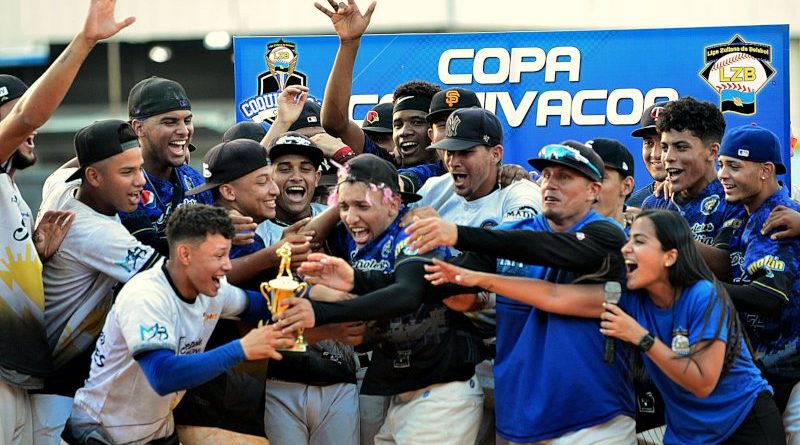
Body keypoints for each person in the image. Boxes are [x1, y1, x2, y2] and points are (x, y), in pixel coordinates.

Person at [308, 141, 634, 443]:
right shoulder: (511, 233)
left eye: (564, 177)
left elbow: (547, 249)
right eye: (546, 175)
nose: (550, 184)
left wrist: (458, 234)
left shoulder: (608, 236)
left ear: (593, 190)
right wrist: (357, 280)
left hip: (594, 415)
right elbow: (430, 285)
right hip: (525, 413)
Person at [425, 209, 785, 445]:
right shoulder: (629, 296)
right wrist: (477, 278)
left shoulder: (702, 295)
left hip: (744, 424)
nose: (625, 249)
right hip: (689, 434)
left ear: (670, 256)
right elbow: (552, 295)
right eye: (628, 240)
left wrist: (641, 337)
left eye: (639, 241)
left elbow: (701, 382)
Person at [278, 154, 485, 445]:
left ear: (393, 204)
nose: (351, 217)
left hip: (442, 391)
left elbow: (408, 293)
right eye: (344, 206)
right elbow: (303, 243)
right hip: (402, 390)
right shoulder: (355, 235)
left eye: (362, 206)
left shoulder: (413, 229)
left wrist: (325, 313)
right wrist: (345, 202)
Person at [0, 1, 134, 443]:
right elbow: (29, 116)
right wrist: (85, 41)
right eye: (10, 114)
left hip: (22, 373)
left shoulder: (16, 191)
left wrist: (34, 256)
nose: (30, 128)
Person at [63, 204, 308, 445]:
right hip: (103, 432)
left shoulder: (214, 290)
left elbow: (263, 306)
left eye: (228, 254)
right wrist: (242, 349)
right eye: (219, 256)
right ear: (185, 254)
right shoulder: (146, 296)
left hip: (156, 430)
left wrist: (318, 295)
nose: (228, 265)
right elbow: (163, 376)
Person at [34, 120, 162, 444]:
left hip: (57, 374)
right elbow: (176, 278)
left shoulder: (61, 186)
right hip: (50, 385)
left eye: (140, 167)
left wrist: (111, 141)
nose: (141, 181)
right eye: (127, 172)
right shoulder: (96, 233)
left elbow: (70, 166)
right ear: (93, 176)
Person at [695, 124, 800, 444]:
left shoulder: (780, 217)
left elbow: (768, 297)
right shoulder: (741, 211)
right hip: (763, 370)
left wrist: (695, 290)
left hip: (793, 373)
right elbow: (723, 262)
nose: (722, 174)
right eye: (721, 164)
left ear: (765, 171)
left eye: (734, 166)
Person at [120, 76, 215, 255]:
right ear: (138, 128)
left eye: (187, 121)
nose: (184, 131)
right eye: (170, 122)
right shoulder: (122, 186)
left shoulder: (195, 182)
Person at [641, 97, 745, 246]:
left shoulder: (734, 200)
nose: (667, 157)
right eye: (665, 147)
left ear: (712, 152)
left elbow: (725, 259)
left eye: (681, 147)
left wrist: (660, 236)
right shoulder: (655, 203)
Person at [628, 102, 669, 207]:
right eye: (649, 143)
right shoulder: (633, 205)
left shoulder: (706, 200)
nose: (656, 154)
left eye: (664, 144)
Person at [590, 138, 636, 230]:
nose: (588, 187)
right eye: (583, 177)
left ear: (626, 186)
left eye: (600, 177)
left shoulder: (646, 235)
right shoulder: (562, 232)